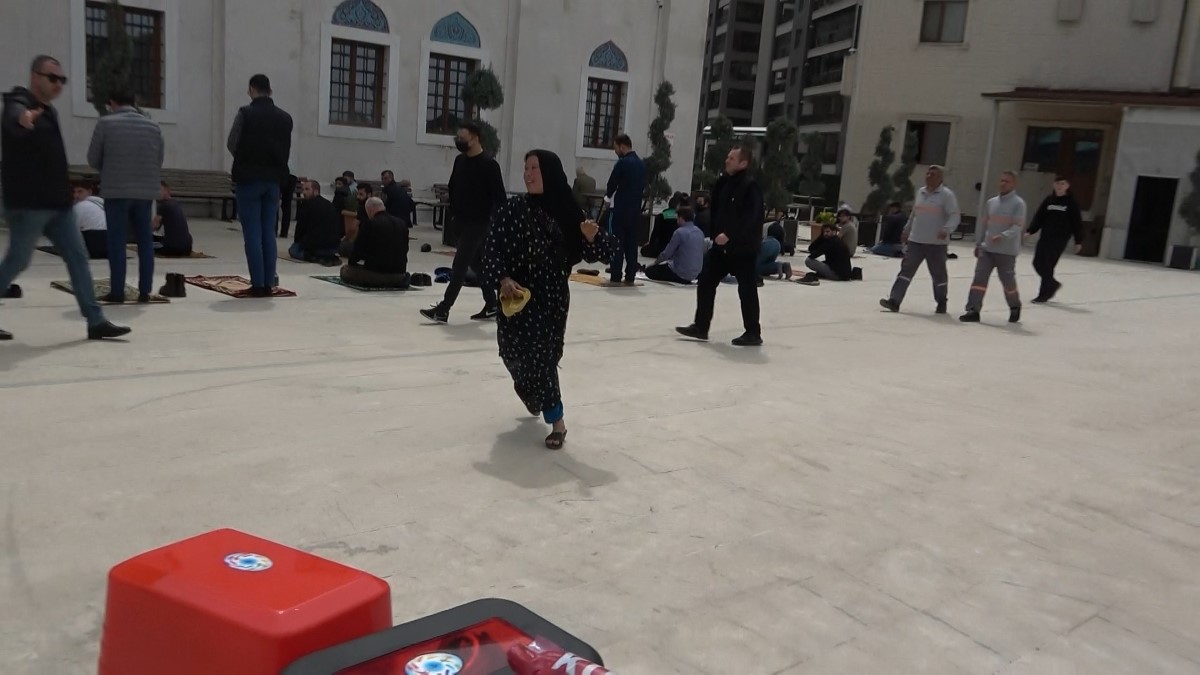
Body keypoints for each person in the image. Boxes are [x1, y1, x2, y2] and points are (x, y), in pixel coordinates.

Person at [483, 150, 614, 450]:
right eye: (526, 168)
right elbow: (491, 246)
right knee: (511, 353)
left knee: (543, 357)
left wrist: (591, 237)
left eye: (534, 168)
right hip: (515, 294)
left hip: (550, 296)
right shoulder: (512, 209)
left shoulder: (568, 212)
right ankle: (530, 391)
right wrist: (502, 278)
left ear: (550, 173)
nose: (527, 174)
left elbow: (605, 253)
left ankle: (557, 422)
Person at [0, 54, 129, 341]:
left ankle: (96, 321)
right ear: (35, 77)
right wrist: (24, 118)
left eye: (62, 79)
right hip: (29, 205)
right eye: (52, 78)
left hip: (58, 204)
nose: (58, 84)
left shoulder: (50, 111)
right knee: (17, 261)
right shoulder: (18, 101)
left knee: (78, 257)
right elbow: (14, 116)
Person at [676, 146, 765, 347]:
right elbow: (715, 211)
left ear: (743, 163)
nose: (727, 160)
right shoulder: (723, 182)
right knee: (706, 280)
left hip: (743, 249)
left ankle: (753, 332)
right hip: (720, 247)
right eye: (728, 157)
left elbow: (752, 218)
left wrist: (731, 235)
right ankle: (701, 326)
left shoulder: (750, 186)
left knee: (747, 289)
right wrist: (715, 232)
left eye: (732, 158)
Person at [421, 122, 506, 323]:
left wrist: (496, 225)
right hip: (461, 222)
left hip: (479, 223)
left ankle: (444, 309)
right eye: (457, 138)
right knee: (478, 265)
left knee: (459, 265)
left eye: (462, 138)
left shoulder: (489, 165)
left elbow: (500, 199)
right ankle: (492, 304)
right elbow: (453, 186)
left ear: (475, 138)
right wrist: (453, 214)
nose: (459, 141)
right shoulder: (460, 161)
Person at [87, 89, 164, 303]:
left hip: (116, 190)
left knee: (117, 241)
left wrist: (109, 169)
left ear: (113, 103)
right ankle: (145, 290)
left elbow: (93, 159)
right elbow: (159, 159)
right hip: (144, 193)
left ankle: (117, 291)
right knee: (145, 241)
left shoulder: (105, 123)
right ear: (134, 102)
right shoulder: (153, 127)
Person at [228, 73, 293, 297]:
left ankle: (257, 283)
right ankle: (268, 280)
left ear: (251, 90)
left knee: (252, 233)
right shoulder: (285, 118)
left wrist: (245, 158)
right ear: (270, 91)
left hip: (249, 179)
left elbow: (232, 142)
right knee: (268, 232)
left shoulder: (246, 113)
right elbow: (286, 149)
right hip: (273, 181)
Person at [879, 165, 960, 314]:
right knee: (906, 271)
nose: (928, 176)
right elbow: (913, 215)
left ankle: (941, 301)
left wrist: (947, 229)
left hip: (936, 244)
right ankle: (894, 300)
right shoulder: (920, 192)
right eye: (928, 174)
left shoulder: (946, 195)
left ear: (940, 178)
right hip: (916, 241)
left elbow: (954, 216)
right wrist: (906, 230)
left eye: (933, 174)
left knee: (938, 275)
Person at [961, 171, 1027, 324]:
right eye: (1001, 180)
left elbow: (1017, 226)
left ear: (1014, 184)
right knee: (979, 279)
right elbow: (984, 225)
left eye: (1007, 181)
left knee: (1008, 282)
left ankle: (1014, 306)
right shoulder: (991, 202)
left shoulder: (1018, 204)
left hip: (1006, 251)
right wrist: (979, 243)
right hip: (987, 250)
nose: (1003, 184)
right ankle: (973, 310)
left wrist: (1003, 236)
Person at [1027, 175, 1084, 303]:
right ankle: (1052, 284)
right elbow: (1039, 217)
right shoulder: (1049, 200)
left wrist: (1078, 241)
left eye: (1062, 184)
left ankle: (1043, 295)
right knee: (1037, 263)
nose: (1059, 186)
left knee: (1048, 265)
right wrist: (1031, 230)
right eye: (1057, 183)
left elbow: (1077, 223)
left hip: (1059, 240)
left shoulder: (1071, 203)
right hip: (1045, 237)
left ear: (1067, 186)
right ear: (1054, 185)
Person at [604, 133, 647, 285]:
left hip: (620, 208)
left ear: (622, 147)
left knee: (617, 242)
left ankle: (616, 274)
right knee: (631, 244)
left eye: (616, 148)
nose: (615, 151)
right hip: (635, 210)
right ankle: (630, 275)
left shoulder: (622, 163)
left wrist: (608, 197)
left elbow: (612, 182)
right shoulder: (641, 165)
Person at [341, 197, 410, 288]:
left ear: (369, 210)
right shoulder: (401, 223)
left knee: (345, 270)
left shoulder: (370, 224)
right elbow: (405, 249)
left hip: (376, 275)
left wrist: (352, 264)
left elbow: (357, 252)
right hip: (399, 275)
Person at [644, 204, 705, 285]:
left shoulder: (679, 232)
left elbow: (666, 254)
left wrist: (655, 263)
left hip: (680, 272)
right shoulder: (700, 232)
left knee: (649, 271)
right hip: (696, 273)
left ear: (681, 218)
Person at [289, 179, 340, 264]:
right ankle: (330, 257)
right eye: (303, 189)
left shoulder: (306, 205)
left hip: (316, 247)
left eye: (307, 189)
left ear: (316, 191)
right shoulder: (330, 205)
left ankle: (312, 257)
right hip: (333, 247)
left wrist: (299, 243)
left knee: (293, 249)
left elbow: (300, 229)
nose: (303, 192)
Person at [154, 181, 194, 257]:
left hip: (172, 249)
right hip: (187, 248)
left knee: (147, 244)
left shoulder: (163, 205)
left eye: (159, 190)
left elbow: (154, 226)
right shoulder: (176, 203)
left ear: (167, 190)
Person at [72, 181, 108, 259]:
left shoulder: (80, 206)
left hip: (92, 245)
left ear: (89, 192)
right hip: (109, 246)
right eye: (74, 192)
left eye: (80, 191)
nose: (76, 195)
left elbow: (72, 229)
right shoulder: (102, 204)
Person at [278, 170, 298, 238]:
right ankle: (284, 232)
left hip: (280, 173)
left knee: (275, 203)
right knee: (287, 205)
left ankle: (274, 230)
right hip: (292, 175)